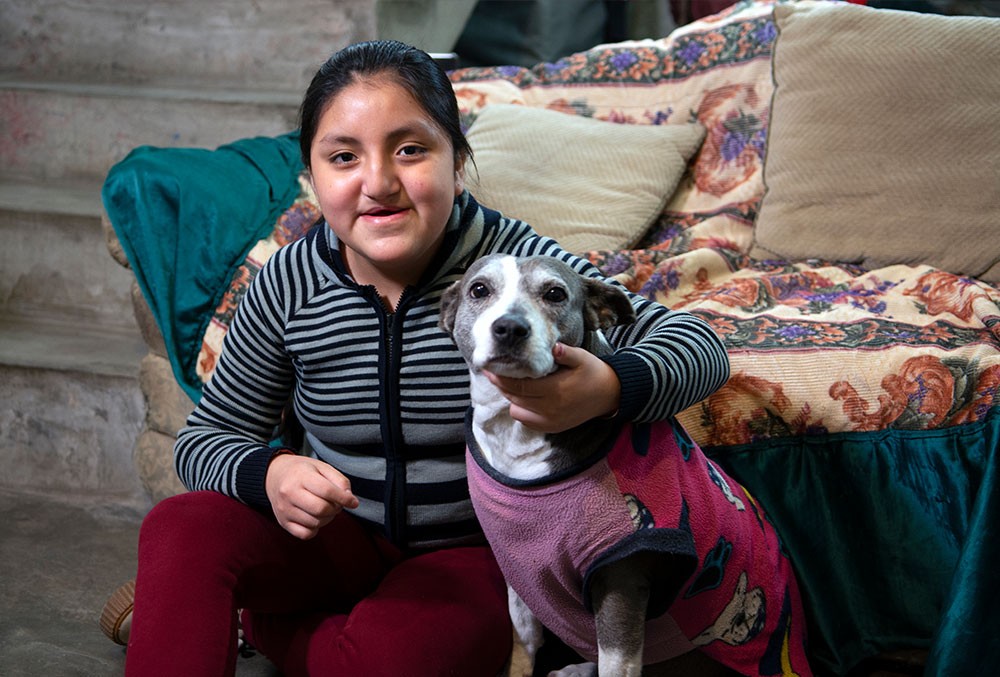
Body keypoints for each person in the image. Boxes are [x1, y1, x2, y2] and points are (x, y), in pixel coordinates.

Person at [114, 39, 731, 676]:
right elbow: (205, 441)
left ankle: (260, 627)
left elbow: (700, 347)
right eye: (343, 157)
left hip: (469, 558)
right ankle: (252, 620)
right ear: (312, 176)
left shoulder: (516, 268)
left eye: (411, 150)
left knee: (397, 657)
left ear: (457, 161)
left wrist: (607, 387)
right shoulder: (286, 282)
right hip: (335, 542)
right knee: (180, 528)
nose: (378, 183)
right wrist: (267, 474)